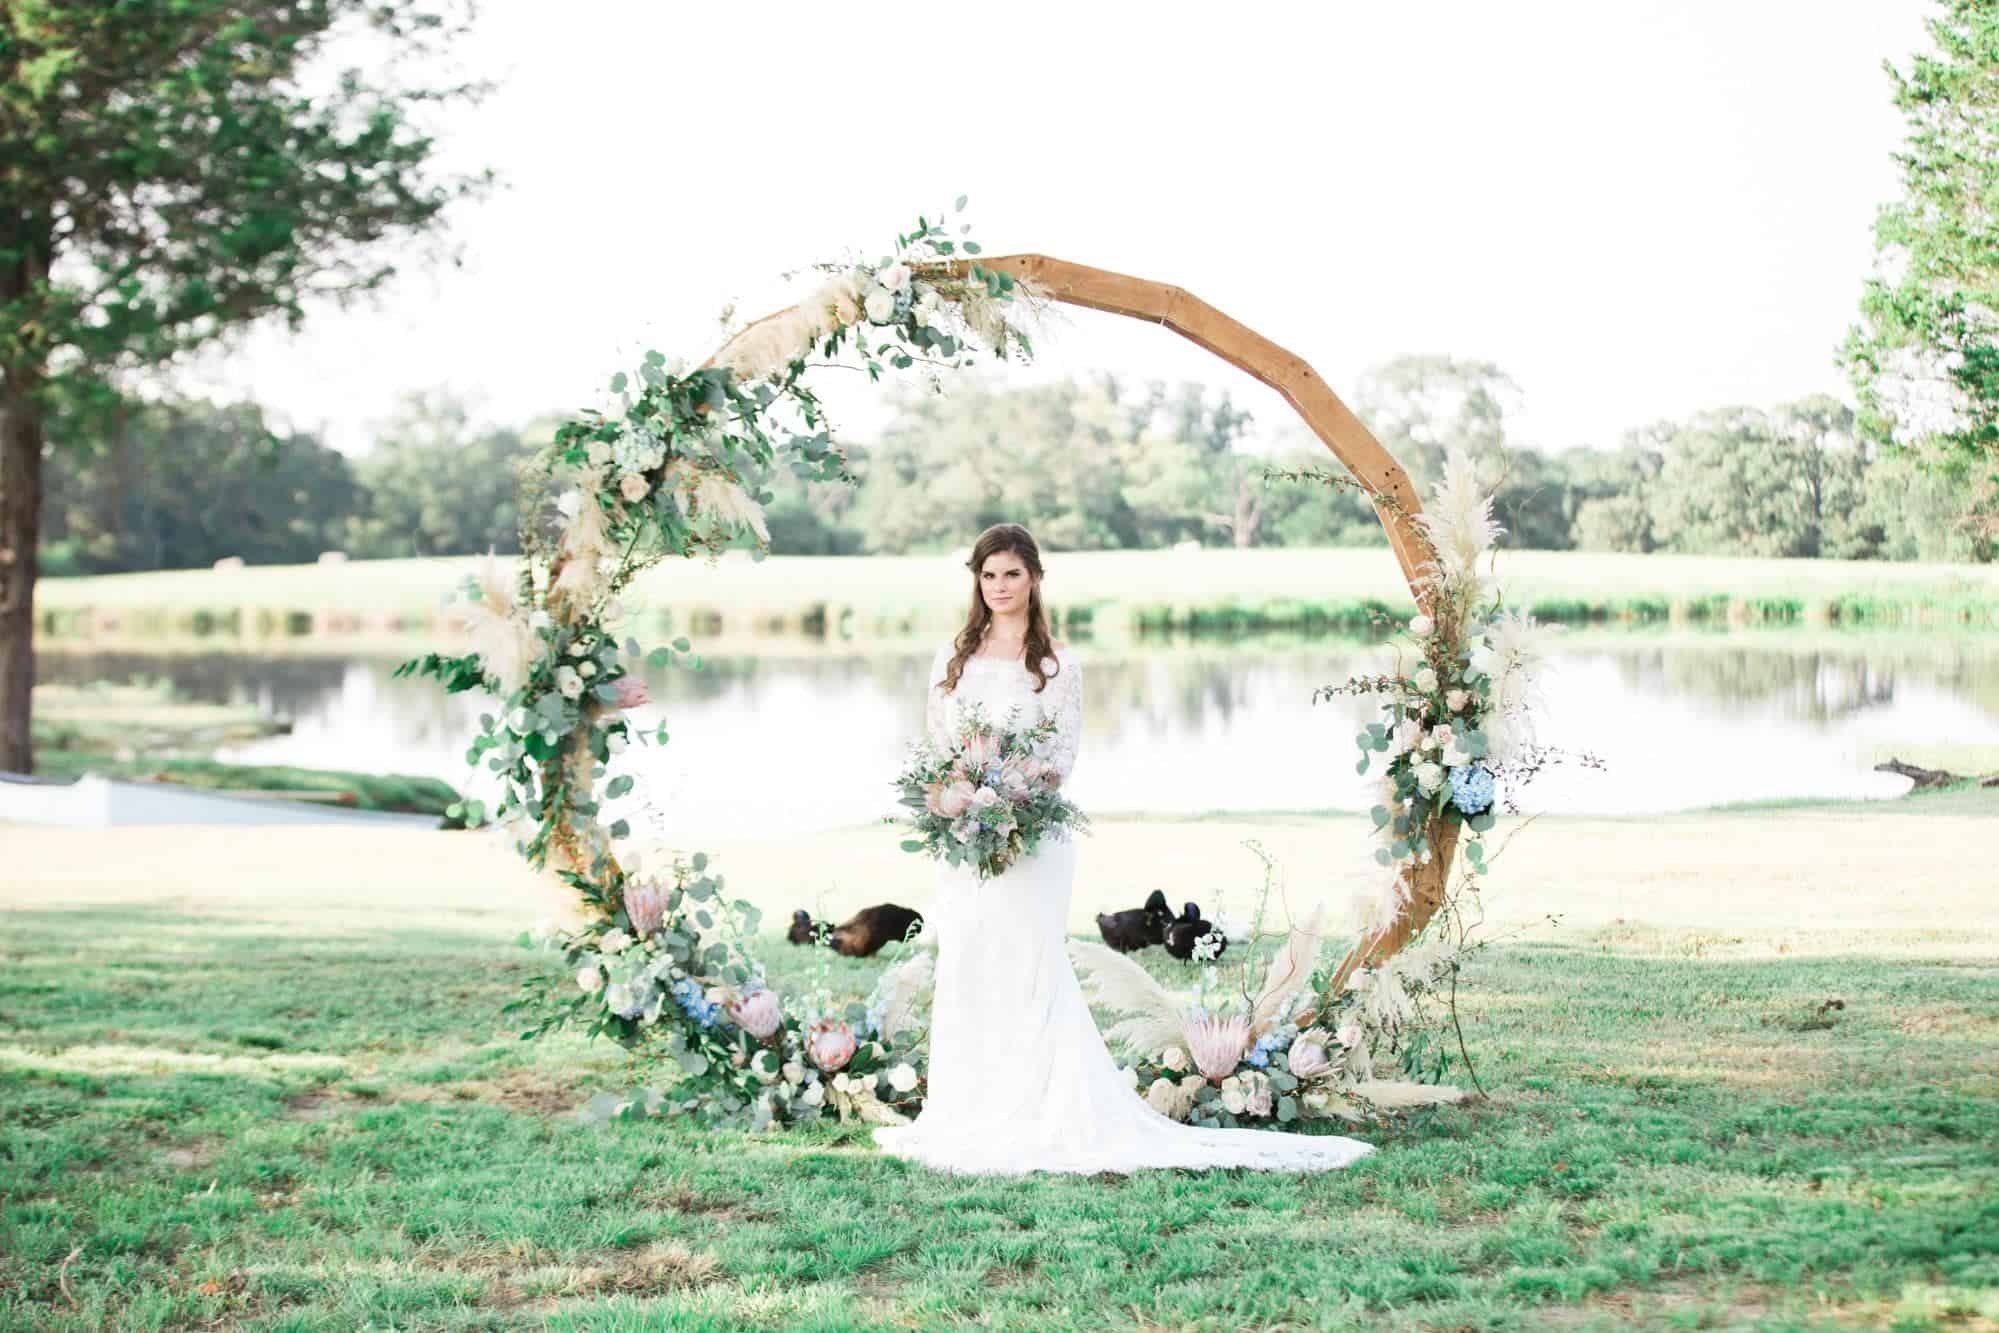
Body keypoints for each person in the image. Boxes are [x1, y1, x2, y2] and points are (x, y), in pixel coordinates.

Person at [872, 523, 1376, 1175]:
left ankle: (1045, 1107)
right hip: (962, 843)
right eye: (988, 574)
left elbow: (1059, 758)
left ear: (1034, 579)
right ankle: (971, 1109)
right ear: (976, 580)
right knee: (971, 961)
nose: (999, 586)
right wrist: (952, 796)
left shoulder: (1054, 663)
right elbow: (937, 744)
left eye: (1011, 574)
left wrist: (1009, 797)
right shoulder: (953, 658)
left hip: (1032, 836)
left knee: (1029, 965)